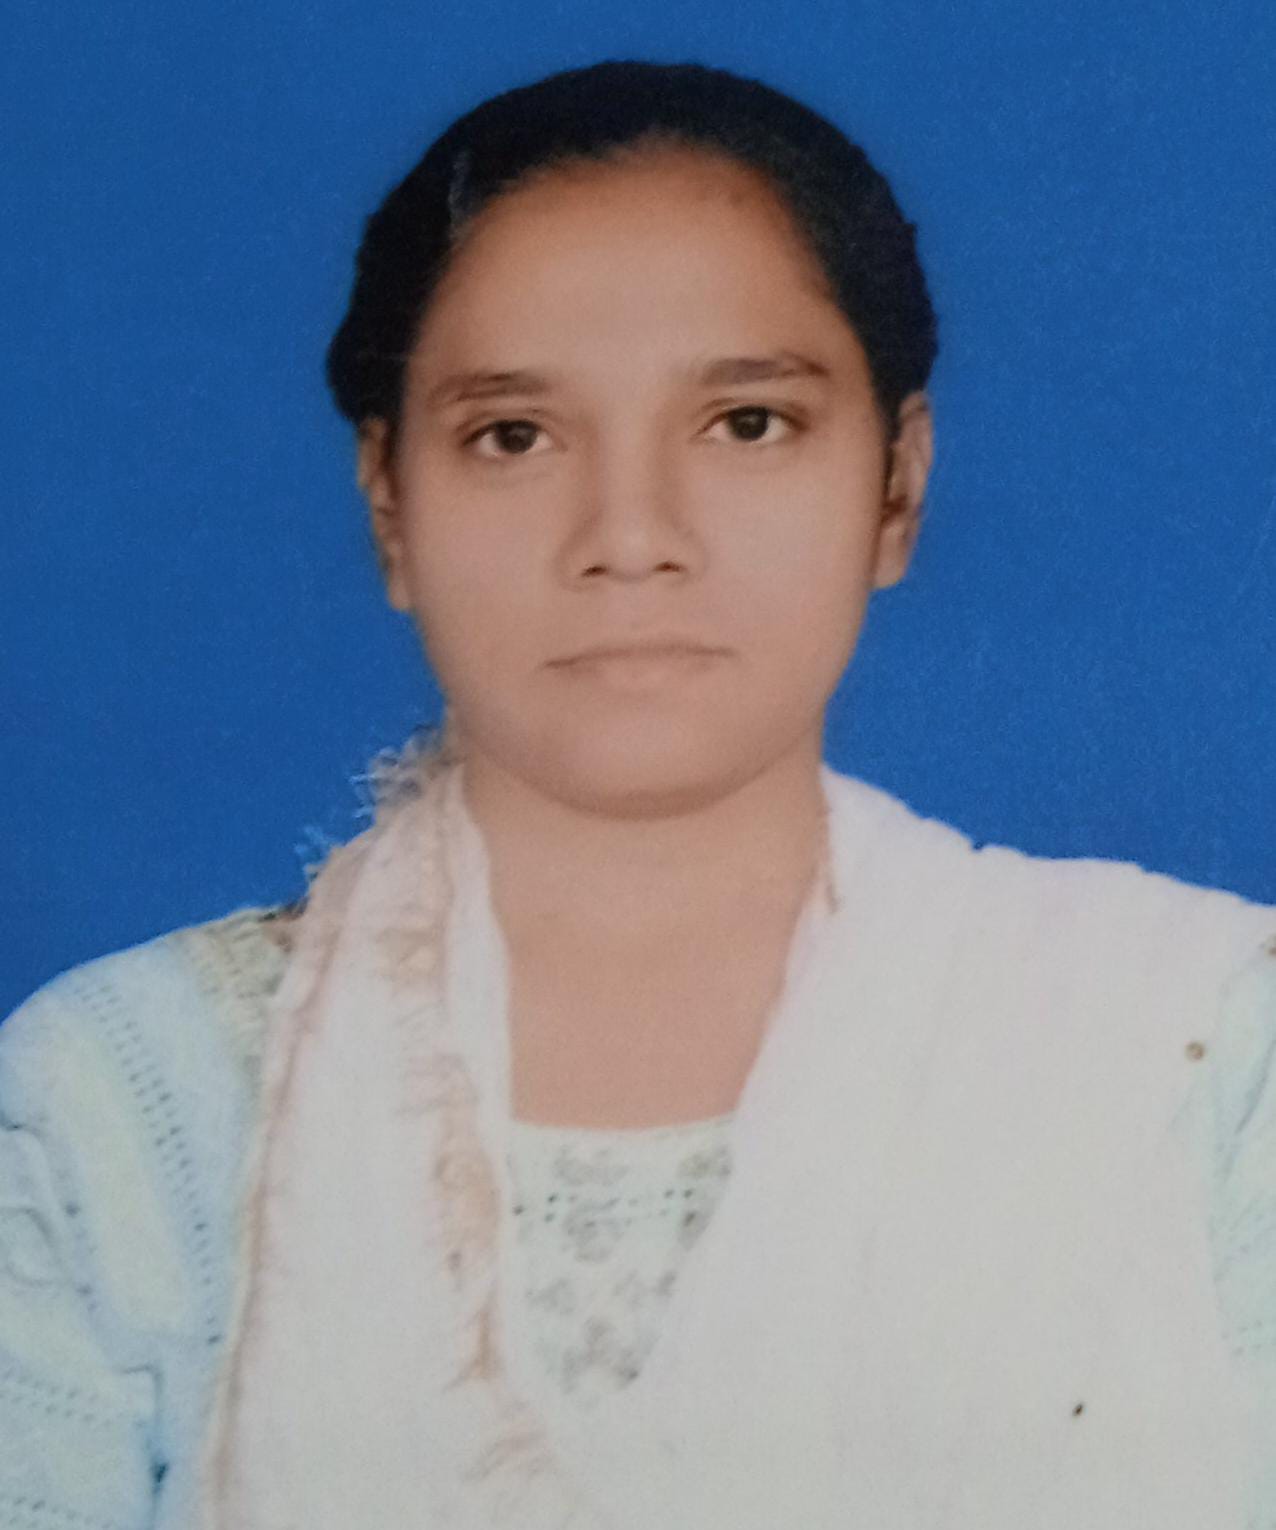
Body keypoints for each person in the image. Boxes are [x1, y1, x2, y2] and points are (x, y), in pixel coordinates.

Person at [1, 58, 1274, 1530]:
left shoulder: (1205, 1049)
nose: (630, 535)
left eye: (748, 423)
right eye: (514, 437)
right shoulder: (121, 1108)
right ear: (389, 505)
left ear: (899, 486)